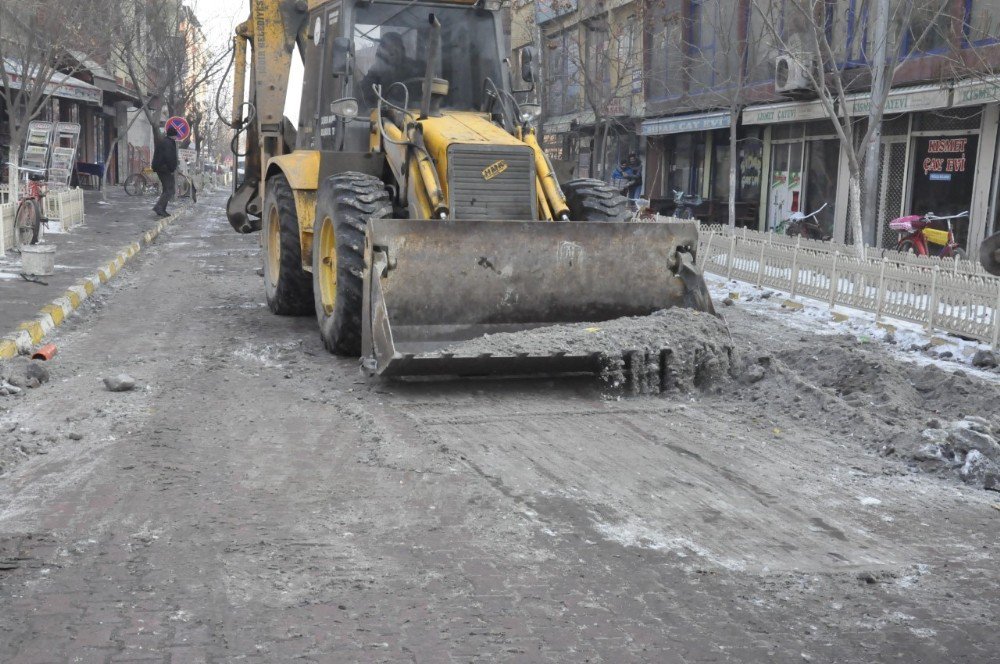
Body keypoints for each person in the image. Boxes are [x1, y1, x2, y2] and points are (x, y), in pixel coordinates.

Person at [359, 32, 419, 105]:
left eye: (395, 50)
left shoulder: (416, 68)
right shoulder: (376, 70)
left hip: (412, 111)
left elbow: (423, 95)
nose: (391, 53)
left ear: (402, 50)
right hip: (382, 112)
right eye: (388, 50)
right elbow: (365, 91)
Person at [151, 125, 179, 217]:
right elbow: (169, 157)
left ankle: (162, 209)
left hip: (162, 168)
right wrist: (172, 168)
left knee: (167, 189)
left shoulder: (166, 141)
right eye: (175, 135)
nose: (176, 137)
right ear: (173, 135)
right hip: (164, 169)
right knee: (170, 189)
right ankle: (159, 207)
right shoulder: (168, 143)